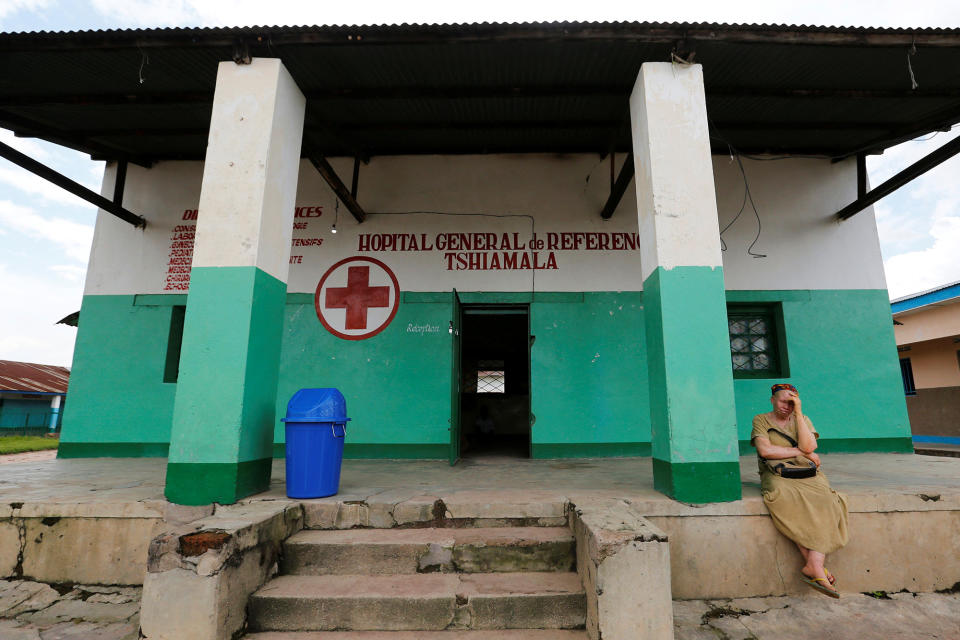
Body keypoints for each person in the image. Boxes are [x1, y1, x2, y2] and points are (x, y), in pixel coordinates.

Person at [751, 383, 849, 598]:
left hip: (807, 474)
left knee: (828, 500)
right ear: (772, 400)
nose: (786, 406)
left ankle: (813, 565)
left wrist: (799, 412)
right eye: (782, 401)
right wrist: (799, 451)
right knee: (786, 500)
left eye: (791, 402)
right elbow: (765, 451)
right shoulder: (761, 420)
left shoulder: (802, 419)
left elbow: (810, 447)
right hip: (777, 475)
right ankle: (817, 568)